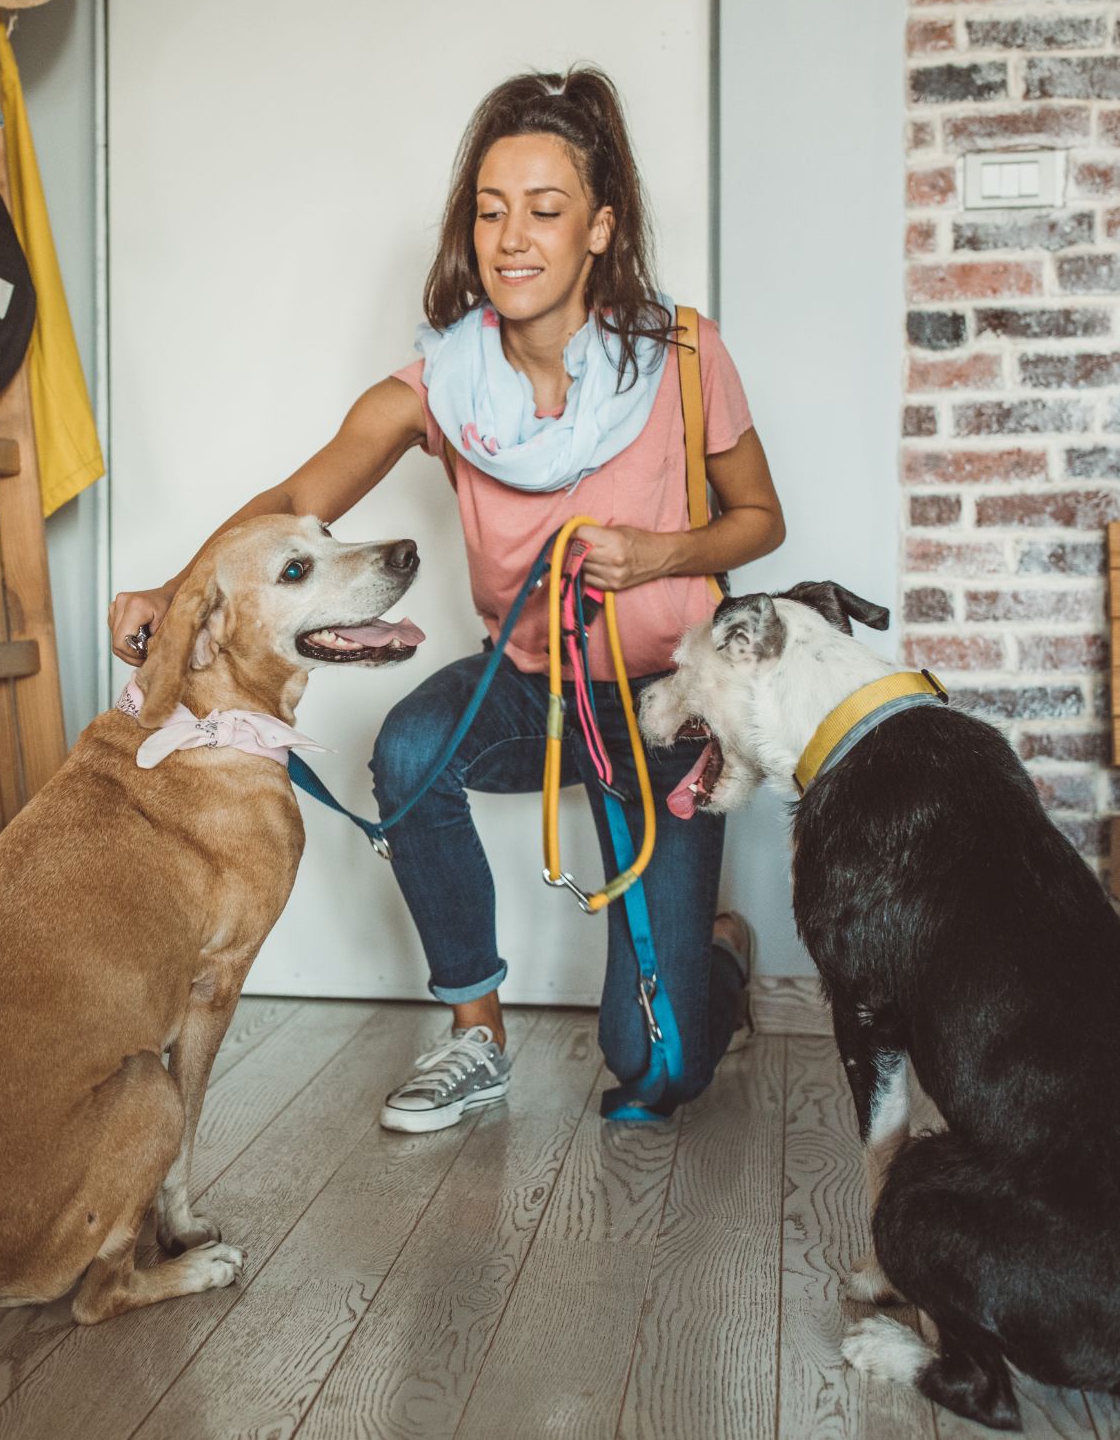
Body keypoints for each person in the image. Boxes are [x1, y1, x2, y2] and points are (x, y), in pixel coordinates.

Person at [109, 66, 785, 1132]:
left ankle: (717, 961)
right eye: (490, 210)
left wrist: (660, 555)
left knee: (655, 1070)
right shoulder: (439, 388)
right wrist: (174, 587)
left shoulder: (686, 356)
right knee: (413, 750)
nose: (513, 237)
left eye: (546, 211)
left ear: (601, 228)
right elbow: (294, 501)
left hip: (671, 700)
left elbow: (760, 519)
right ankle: (476, 1033)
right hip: (536, 691)